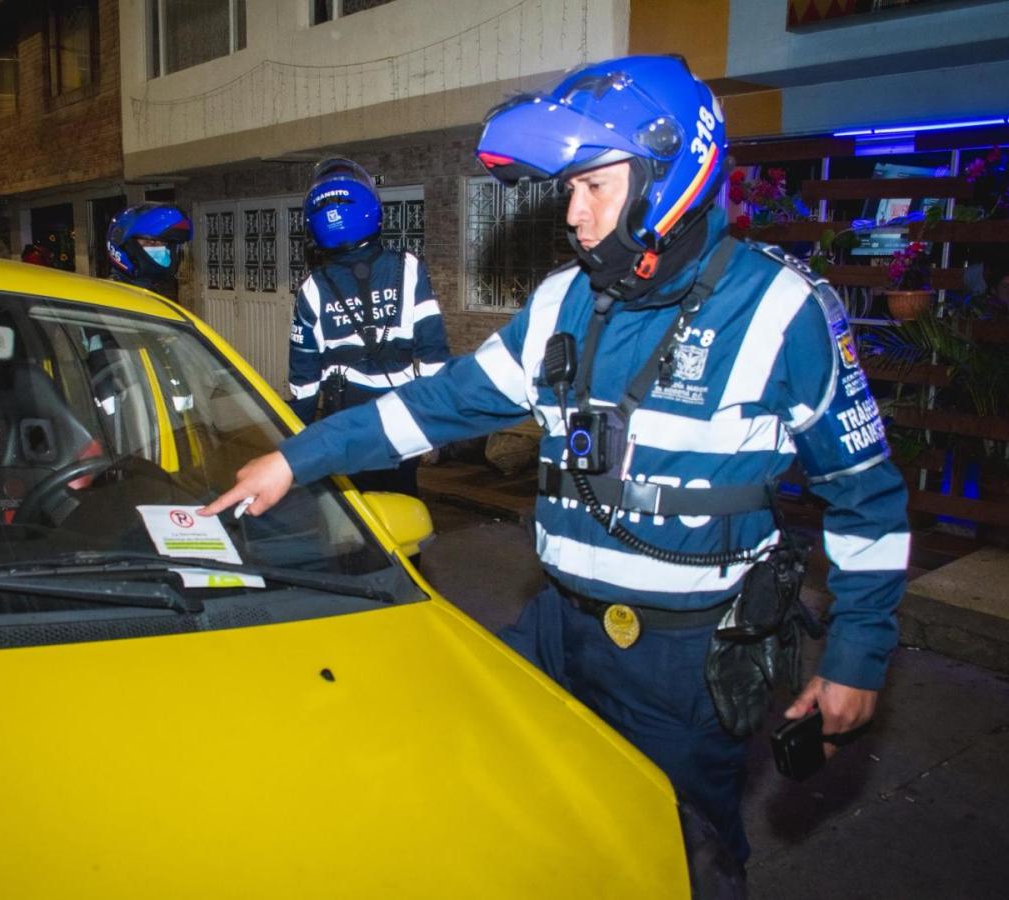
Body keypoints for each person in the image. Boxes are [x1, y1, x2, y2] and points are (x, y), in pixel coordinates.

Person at [198, 56, 909, 867]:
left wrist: (857, 655)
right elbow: (439, 404)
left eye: (594, 186)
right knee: (501, 815)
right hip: (557, 630)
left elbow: (866, 496)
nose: (574, 213)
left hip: (684, 660)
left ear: (670, 173)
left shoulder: (783, 309)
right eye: (569, 189)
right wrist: (297, 458)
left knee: (678, 855)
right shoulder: (560, 301)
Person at [287, 157, 449, 495]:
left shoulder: (312, 288)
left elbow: (304, 381)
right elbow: (433, 355)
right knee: (403, 506)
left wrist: (296, 446)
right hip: (402, 419)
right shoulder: (409, 268)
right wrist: (435, 424)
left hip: (345, 424)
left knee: (354, 513)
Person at [106, 202, 192, 298]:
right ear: (126, 246)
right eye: (151, 242)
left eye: (165, 244)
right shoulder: (109, 298)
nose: (161, 249)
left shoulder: (148, 294)